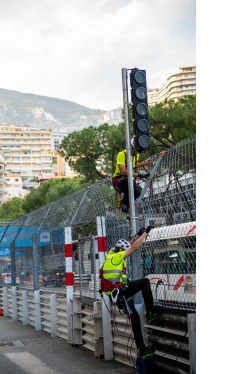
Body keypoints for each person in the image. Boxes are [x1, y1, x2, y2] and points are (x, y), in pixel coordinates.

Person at [100, 225, 161, 359]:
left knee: (135, 318)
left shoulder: (111, 254)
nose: (125, 254)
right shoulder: (116, 258)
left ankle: (142, 349)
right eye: (124, 251)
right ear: (121, 250)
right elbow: (133, 248)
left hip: (119, 293)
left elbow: (128, 246)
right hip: (121, 294)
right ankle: (150, 311)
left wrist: (136, 236)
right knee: (145, 282)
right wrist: (145, 234)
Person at [112, 139, 151, 212]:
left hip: (130, 181)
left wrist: (144, 163)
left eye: (138, 151)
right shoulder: (122, 154)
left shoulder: (136, 155)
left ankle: (126, 204)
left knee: (138, 191)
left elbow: (134, 166)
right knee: (129, 181)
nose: (137, 153)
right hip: (120, 181)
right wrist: (138, 175)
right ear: (130, 147)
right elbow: (123, 172)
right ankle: (124, 203)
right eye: (136, 150)